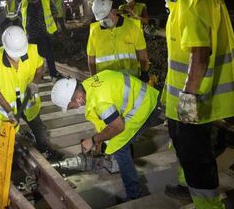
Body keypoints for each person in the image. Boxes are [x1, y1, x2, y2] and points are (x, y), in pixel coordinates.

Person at [145, 0, 234, 208]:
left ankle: (209, 206)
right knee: (186, 150)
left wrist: (188, 98)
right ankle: (187, 188)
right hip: (186, 96)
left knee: (197, 158)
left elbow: (199, 54)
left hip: (194, 98)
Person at [51, 70, 161, 201]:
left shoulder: (100, 102)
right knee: (111, 140)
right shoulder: (88, 85)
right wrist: (99, 141)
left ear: (79, 99)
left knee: (119, 148)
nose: (73, 109)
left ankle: (135, 195)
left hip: (145, 106)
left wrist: (93, 140)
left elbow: (118, 126)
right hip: (143, 97)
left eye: (70, 106)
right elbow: (104, 120)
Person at [0, 26, 60, 160]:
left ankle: (44, 149)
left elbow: (40, 68)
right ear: (6, 48)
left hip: (27, 102)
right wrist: (9, 111)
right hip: (4, 109)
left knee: (38, 127)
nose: (18, 57)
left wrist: (35, 82)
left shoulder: (31, 51)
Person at [87, 0, 150, 82]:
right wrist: (94, 79)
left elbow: (143, 55)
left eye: (106, 16)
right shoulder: (94, 31)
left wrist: (144, 72)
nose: (104, 21)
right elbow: (91, 60)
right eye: (101, 19)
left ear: (113, 11)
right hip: (106, 84)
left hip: (130, 81)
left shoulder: (133, 26)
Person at [19, 0, 61, 82]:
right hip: (30, 35)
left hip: (44, 33)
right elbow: (19, 16)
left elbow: (55, 13)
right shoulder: (23, 3)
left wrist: (53, 28)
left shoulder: (46, 1)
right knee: (32, 58)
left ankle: (53, 74)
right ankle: (36, 76)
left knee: (49, 55)